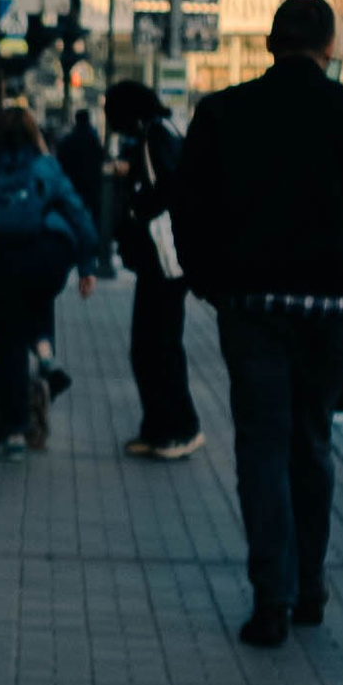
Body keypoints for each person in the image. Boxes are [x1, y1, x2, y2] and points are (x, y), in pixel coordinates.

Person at [169, 0, 343, 647]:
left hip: (251, 308)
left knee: (261, 447)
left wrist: (206, 280)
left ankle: (268, 600)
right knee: (313, 440)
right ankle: (311, 585)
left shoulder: (223, 113)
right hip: (329, 308)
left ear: (272, 44)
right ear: (330, 47)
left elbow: (186, 205)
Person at [0, 102, 100, 457]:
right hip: (47, 257)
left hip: (2, 260)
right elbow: (77, 212)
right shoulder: (46, 167)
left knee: (9, 345)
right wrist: (87, 265)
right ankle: (46, 354)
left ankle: (15, 433)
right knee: (36, 292)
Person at [107, 78, 201, 461]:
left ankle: (181, 428)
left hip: (165, 262)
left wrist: (139, 205)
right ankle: (160, 427)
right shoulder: (162, 132)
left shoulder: (157, 137)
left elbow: (170, 188)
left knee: (157, 346)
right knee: (152, 346)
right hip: (164, 263)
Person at [60, 106, 112, 278]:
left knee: (73, 218)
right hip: (92, 187)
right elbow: (101, 160)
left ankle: (75, 248)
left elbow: (62, 162)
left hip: (74, 186)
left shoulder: (69, 140)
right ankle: (93, 250)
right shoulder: (93, 140)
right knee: (95, 219)